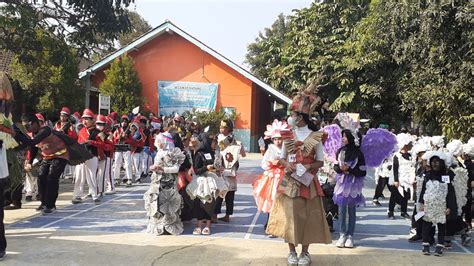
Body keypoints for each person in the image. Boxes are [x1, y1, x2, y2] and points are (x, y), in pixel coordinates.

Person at [266, 81, 331, 266]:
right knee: (290, 217)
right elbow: (282, 158)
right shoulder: (287, 136)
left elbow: (320, 161)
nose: (291, 117)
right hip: (290, 181)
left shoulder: (316, 136)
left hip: (309, 182)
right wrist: (290, 165)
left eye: (293, 114)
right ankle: (292, 252)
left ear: (302, 116)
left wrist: (309, 167)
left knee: (309, 216)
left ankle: (305, 252)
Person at [20, 114, 70, 214]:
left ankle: (51, 205)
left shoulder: (45, 130)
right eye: (24, 127)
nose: (27, 128)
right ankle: (44, 203)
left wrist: (15, 134)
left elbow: (32, 142)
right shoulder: (33, 133)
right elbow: (33, 148)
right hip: (47, 157)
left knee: (52, 178)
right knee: (41, 177)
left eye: (27, 126)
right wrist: (29, 162)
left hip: (60, 155)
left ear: (35, 124)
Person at [144, 132, 185, 235]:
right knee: (157, 202)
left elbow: (176, 169)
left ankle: (169, 227)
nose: (158, 143)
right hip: (157, 182)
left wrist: (162, 169)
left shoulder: (173, 153)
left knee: (168, 203)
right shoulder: (159, 152)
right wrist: (154, 168)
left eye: (160, 141)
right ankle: (160, 226)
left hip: (169, 183)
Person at [187, 133, 227, 235]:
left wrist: (219, 168)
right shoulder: (199, 153)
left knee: (210, 203)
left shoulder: (214, 153)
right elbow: (196, 170)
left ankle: (208, 225)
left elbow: (218, 166)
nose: (215, 144)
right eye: (214, 141)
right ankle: (199, 226)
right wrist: (206, 168)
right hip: (201, 182)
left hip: (212, 181)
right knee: (199, 204)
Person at [333, 129, 367, 248]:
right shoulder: (340, 151)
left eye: (345, 136)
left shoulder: (359, 154)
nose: (343, 139)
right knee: (341, 209)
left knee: (352, 210)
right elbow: (335, 166)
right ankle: (342, 234)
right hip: (341, 184)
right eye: (342, 136)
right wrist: (340, 169)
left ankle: (350, 235)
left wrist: (350, 170)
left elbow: (363, 172)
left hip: (353, 185)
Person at [419, 152, 456, 256]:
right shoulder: (427, 176)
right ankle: (425, 246)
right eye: (433, 162)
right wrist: (421, 204)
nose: (435, 164)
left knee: (441, 226)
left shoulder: (446, 177)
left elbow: (450, 193)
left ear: (442, 163)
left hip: (441, 205)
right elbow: (423, 191)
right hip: (428, 205)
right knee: (426, 225)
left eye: (437, 162)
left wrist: (449, 206)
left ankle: (439, 246)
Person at [253, 119, 288, 230]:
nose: (278, 141)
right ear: (273, 139)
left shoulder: (286, 149)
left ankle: (281, 222)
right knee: (271, 198)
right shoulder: (270, 149)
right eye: (276, 139)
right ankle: (270, 222)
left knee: (282, 199)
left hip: (283, 177)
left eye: (280, 139)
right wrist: (271, 164)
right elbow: (263, 163)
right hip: (272, 178)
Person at [214, 119, 246, 223]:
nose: (221, 129)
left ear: (228, 129)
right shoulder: (217, 138)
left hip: (230, 169)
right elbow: (217, 149)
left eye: (224, 127)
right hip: (220, 169)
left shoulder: (234, 140)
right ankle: (214, 214)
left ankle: (227, 215)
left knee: (230, 194)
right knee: (219, 193)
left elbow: (242, 153)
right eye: (221, 127)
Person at [72, 109, 103, 204]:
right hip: (81, 156)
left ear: (92, 120)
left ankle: (95, 195)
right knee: (79, 176)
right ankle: (77, 195)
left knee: (91, 176)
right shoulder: (81, 131)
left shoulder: (98, 132)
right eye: (83, 119)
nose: (84, 121)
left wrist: (92, 142)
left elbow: (102, 144)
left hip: (92, 155)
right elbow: (78, 143)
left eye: (87, 119)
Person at [388, 134, 415, 219]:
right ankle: (390, 212)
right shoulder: (397, 155)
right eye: (408, 145)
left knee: (405, 196)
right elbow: (395, 168)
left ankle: (404, 211)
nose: (410, 146)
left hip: (407, 179)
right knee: (394, 195)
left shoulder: (410, 156)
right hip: (398, 178)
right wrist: (396, 180)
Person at [112, 115, 133, 185]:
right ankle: (116, 179)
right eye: (122, 121)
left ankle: (129, 179)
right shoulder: (117, 130)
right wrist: (118, 137)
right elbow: (114, 139)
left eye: (125, 121)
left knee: (128, 164)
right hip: (118, 148)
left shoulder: (129, 131)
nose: (124, 123)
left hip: (126, 148)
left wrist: (126, 138)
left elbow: (131, 140)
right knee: (117, 163)